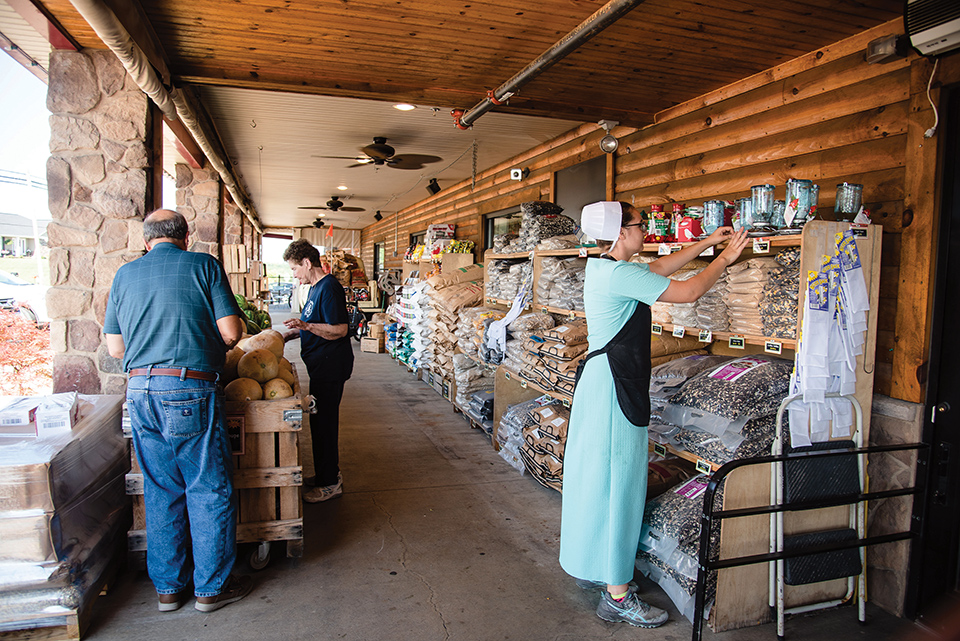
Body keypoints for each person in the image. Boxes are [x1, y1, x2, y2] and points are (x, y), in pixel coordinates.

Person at [559, 201, 748, 628]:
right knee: (620, 485)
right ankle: (619, 595)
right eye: (639, 226)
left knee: (597, 479)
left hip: (603, 384)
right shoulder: (621, 275)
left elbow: (660, 268)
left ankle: (600, 567)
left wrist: (703, 242)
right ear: (622, 233)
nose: (643, 232)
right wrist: (726, 256)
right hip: (615, 389)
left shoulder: (604, 268)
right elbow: (690, 291)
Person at [103, 209, 253, 613]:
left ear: (147, 240)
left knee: (161, 488)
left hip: (139, 392)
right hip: (188, 388)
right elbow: (231, 331)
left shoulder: (124, 275)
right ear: (185, 237)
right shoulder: (203, 265)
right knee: (207, 488)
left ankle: (168, 589)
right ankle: (210, 589)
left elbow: (116, 349)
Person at [281, 239, 354, 502]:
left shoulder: (329, 287)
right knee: (318, 423)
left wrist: (307, 327)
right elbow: (314, 322)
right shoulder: (313, 288)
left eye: (294, 269)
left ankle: (330, 483)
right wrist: (294, 332)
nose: (294, 274)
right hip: (320, 367)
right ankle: (326, 474)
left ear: (306, 263)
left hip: (330, 367)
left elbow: (340, 329)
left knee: (324, 424)